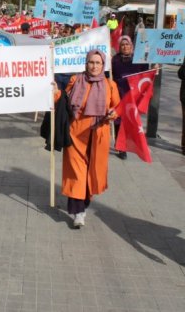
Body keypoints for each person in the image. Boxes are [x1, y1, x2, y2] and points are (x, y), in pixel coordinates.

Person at [53, 50, 119, 229]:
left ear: (103, 65)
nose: (94, 66)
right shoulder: (75, 80)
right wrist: (55, 92)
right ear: (86, 63)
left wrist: (113, 114)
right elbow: (63, 100)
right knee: (77, 172)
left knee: (91, 173)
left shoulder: (110, 85)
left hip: (98, 135)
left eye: (98, 63)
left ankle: (84, 204)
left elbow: (116, 107)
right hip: (75, 133)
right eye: (91, 62)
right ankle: (78, 212)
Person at [111, 35, 149, 159]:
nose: (125, 47)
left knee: (130, 120)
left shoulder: (138, 60)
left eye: (127, 44)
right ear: (119, 47)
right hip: (119, 94)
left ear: (131, 46)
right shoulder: (114, 60)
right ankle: (120, 147)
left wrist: (154, 70)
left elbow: (146, 75)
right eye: (122, 45)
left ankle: (127, 143)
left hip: (133, 95)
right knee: (118, 120)